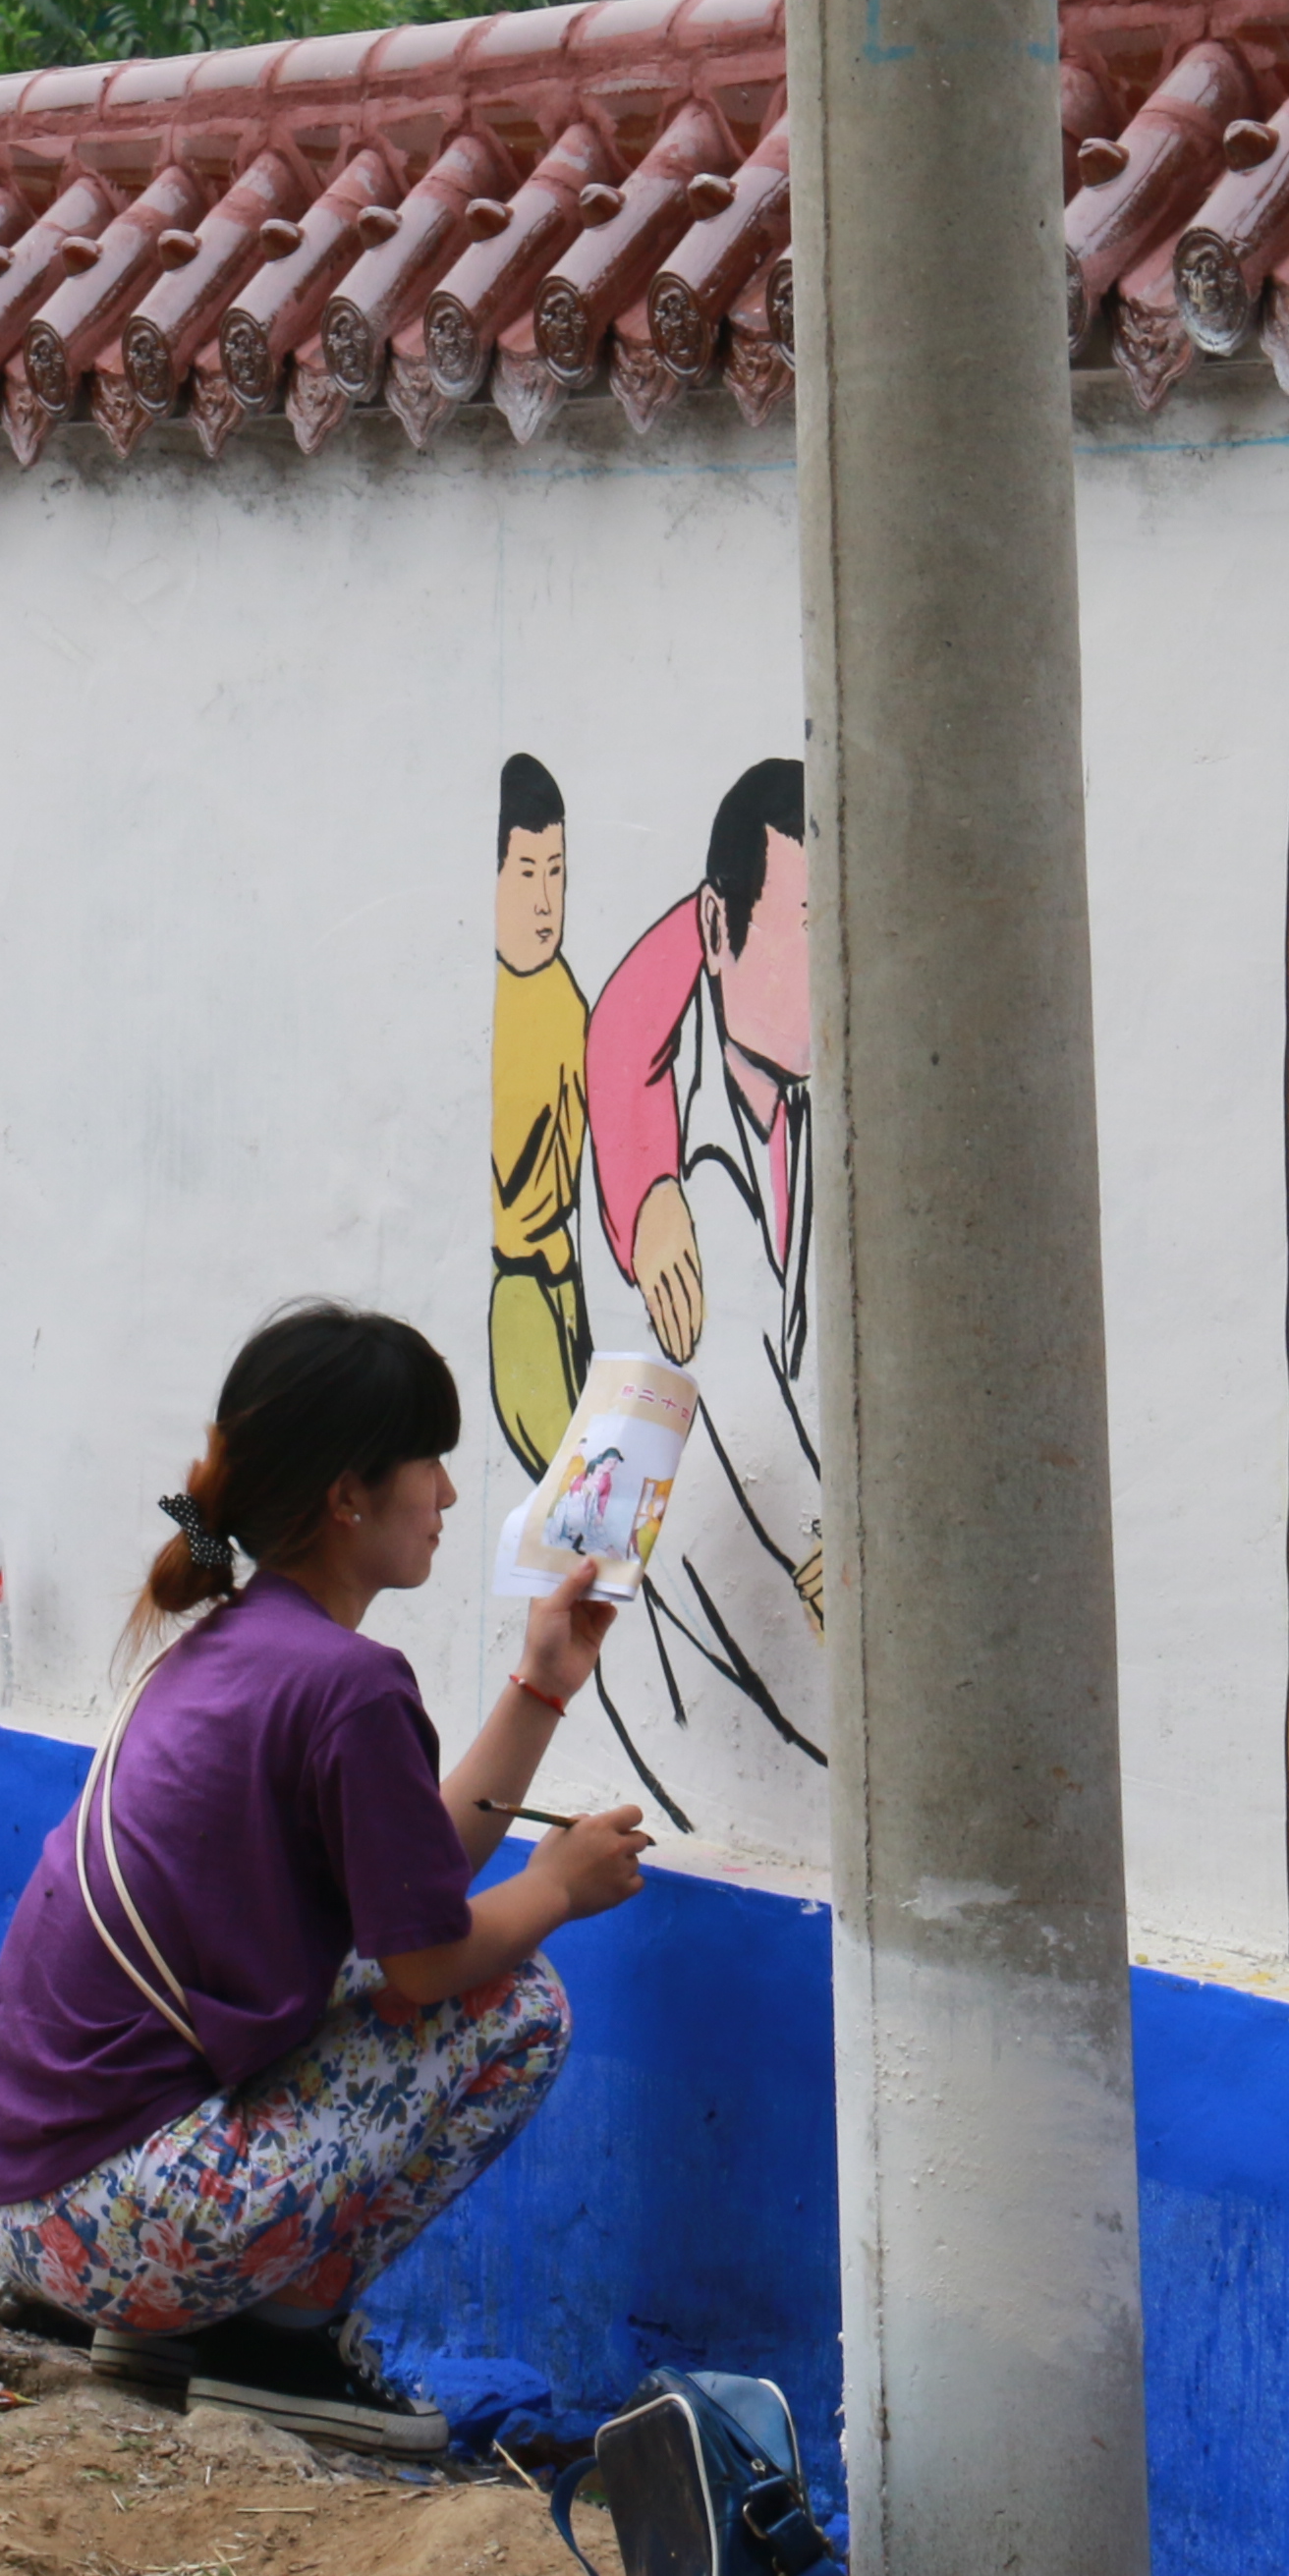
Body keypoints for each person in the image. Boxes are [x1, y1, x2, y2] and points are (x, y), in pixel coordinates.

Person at [0, 1304, 656, 2453]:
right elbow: (427, 1964)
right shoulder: (349, 1685)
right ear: (347, 1498)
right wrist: (561, 1887)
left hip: (38, 2209)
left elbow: (409, 1882)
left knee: (395, 1977)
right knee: (519, 2004)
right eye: (429, 1464)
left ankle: (186, 2334)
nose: (449, 1495)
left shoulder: (237, 1641)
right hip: (127, 2220)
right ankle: (279, 2345)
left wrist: (542, 1684)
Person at [579, 756, 824, 1804]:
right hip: (680, 1653)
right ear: (721, 930)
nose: (834, 967)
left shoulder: (814, 1103)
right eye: (808, 927)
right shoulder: (685, 1151)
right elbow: (726, 1368)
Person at [486, 755, 591, 1476]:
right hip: (523, 1287)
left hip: (567, 1283)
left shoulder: (567, 1002)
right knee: (575, 1494)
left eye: (557, 872)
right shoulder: (487, 1001)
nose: (546, 902)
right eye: (527, 874)